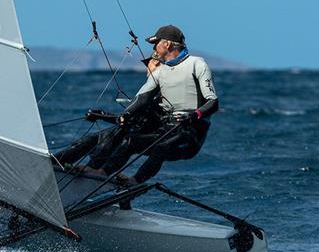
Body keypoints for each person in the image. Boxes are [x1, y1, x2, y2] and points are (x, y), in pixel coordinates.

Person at [55, 24, 219, 185]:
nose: (153, 49)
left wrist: (194, 115)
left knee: (158, 146)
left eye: (155, 44)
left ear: (167, 44)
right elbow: (141, 99)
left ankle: (134, 181)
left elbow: (213, 102)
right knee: (123, 138)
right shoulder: (161, 74)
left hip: (190, 135)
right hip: (164, 129)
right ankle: (74, 166)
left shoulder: (197, 64)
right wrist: (120, 115)